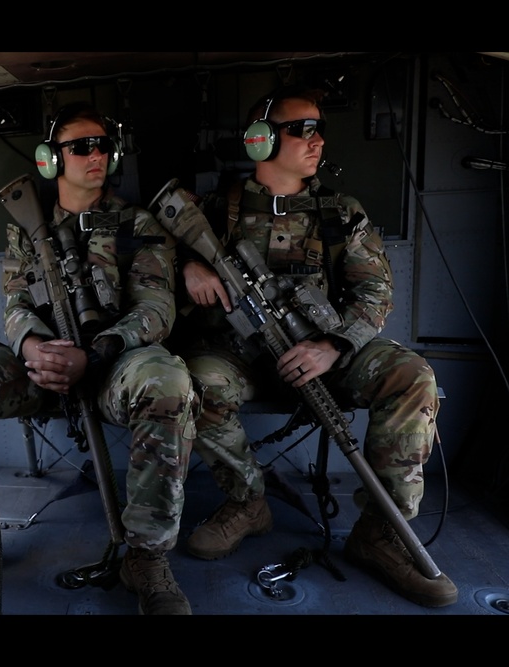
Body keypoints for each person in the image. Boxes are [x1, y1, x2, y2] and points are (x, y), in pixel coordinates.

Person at [0, 102, 198, 615]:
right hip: (39, 367)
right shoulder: (25, 226)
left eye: (102, 145)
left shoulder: (137, 223)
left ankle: (146, 557)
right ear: (51, 160)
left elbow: (155, 308)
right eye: (81, 147)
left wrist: (97, 353)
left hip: (113, 366)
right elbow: (14, 304)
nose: (95, 154)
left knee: (168, 380)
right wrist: (33, 347)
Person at [169, 85, 458, 607]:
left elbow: (375, 292)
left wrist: (334, 345)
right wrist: (186, 266)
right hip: (239, 355)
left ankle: (380, 534)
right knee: (194, 379)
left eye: (319, 128)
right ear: (260, 141)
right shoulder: (215, 208)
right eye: (301, 130)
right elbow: (154, 251)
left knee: (412, 375)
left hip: (319, 348)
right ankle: (248, 502)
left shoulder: (339, 210)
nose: (317, 140)